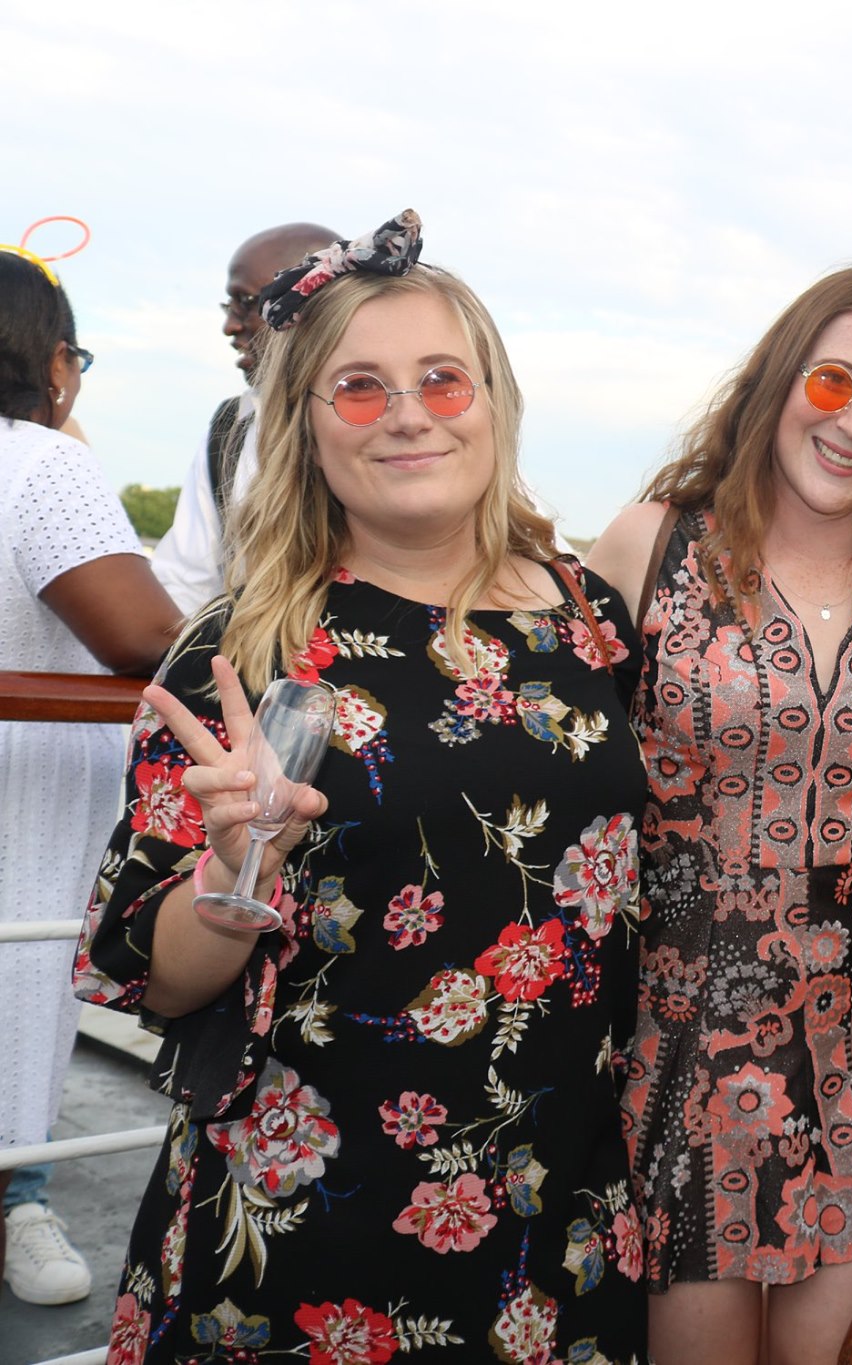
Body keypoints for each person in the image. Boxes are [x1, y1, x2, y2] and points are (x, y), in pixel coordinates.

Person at [74, 212, 650, 1363]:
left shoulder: (591, 619)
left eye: (443, 379)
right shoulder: (243, 652)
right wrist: (239, 864)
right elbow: (155, 974)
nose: (408, 414)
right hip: (307, 1234)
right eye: (359, 387)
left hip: (558, 1217)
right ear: (305, 424)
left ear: (493, 399)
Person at [584, 262, 852, 1363]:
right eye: (831, 380)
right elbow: (559, 761)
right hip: (676, 1046)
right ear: (777, 379)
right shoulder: (651, 543)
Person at [0, 246, 182, 1306]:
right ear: (53, 359)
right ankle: (21, 1196)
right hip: (23, 800)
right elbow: (141, 633)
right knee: (19, 990)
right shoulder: (42, 460)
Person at [152, 221, 338, 613]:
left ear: (315, 302)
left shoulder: (392, 420)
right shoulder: (233, 427)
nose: (230, 326)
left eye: (246, 303)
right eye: (229, 305)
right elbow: (185, 586)